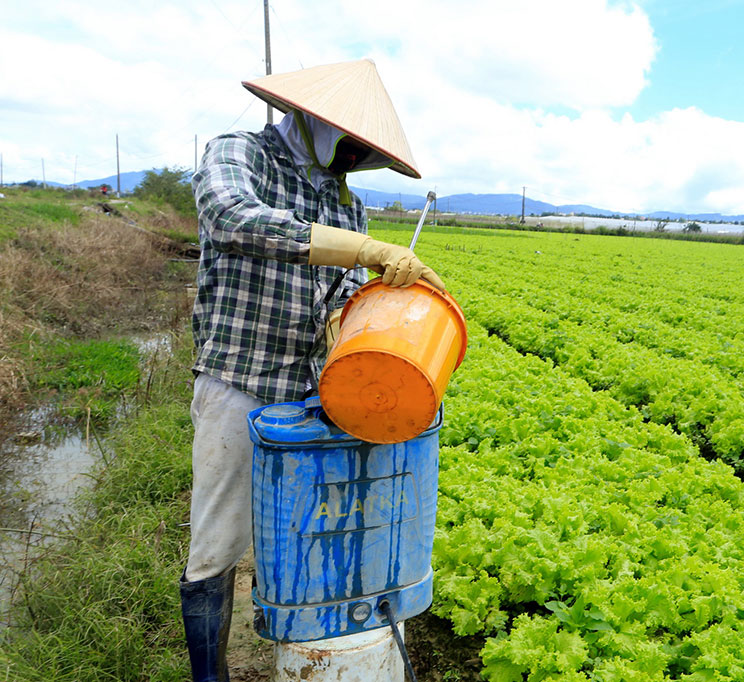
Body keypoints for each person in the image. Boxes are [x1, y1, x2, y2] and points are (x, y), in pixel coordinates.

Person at [181, 59, 444, 682]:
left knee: (310, 530)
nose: (355, 158)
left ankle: (306, 654)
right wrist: (363, 249)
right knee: (217, 541)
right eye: (351, 145)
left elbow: (342, 300)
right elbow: (231, 218)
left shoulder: (346, 203)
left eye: (366, 153)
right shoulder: (239, 154)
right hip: (239, 379)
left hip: (310, 394)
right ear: (315, 121)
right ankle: (208, 675)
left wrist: (377, 327)